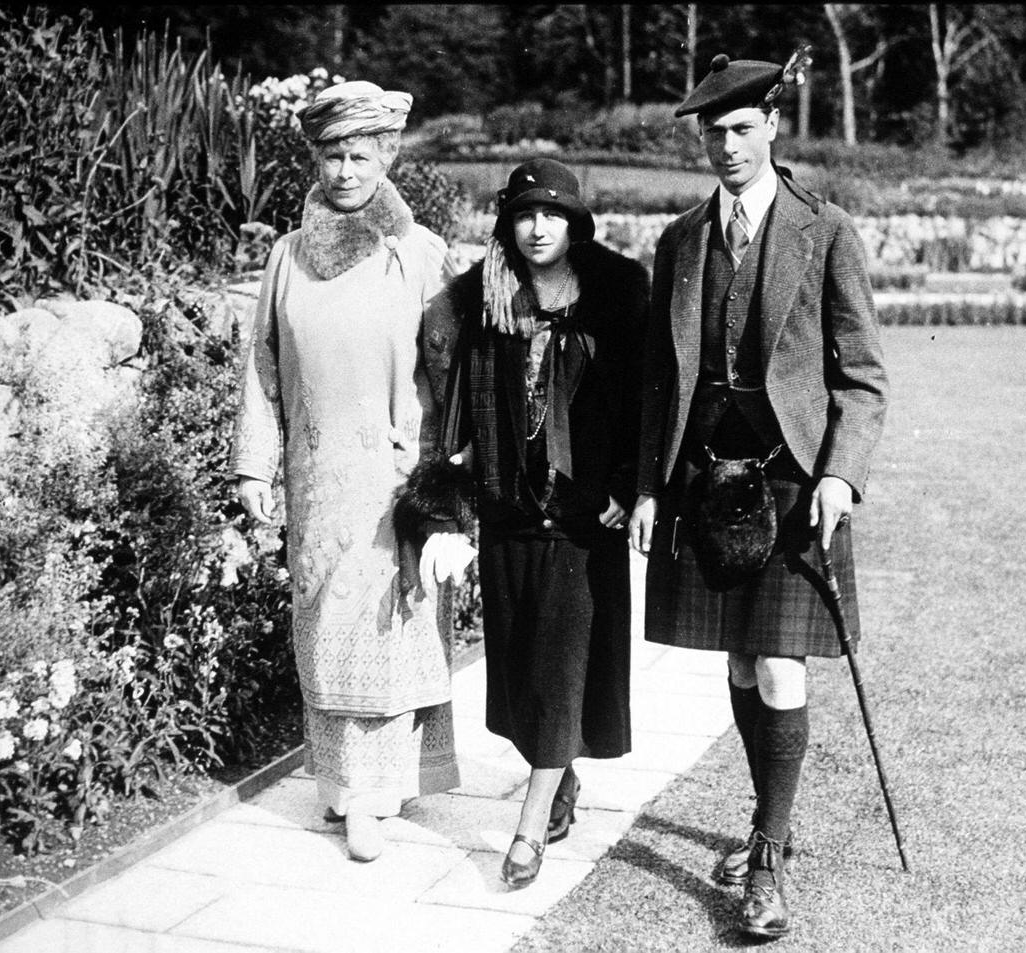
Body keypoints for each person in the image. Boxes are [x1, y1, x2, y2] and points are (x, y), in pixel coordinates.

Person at [628, 51, 889, 939]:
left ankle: (768, 854)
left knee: (778, 664)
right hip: (707, 483)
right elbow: (661, 383)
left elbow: (863, 378)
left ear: (774, 127)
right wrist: (651, 488)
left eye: (743, 129)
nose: (728, 146)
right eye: (714, 132)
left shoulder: (827, 231)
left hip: (792, 482)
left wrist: (842, 476)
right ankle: (765, 813)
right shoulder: (681, 242)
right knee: (740, 664)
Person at [231, 79, 471, 863]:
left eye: (359, 155)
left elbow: (454, 373)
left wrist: (448, 486)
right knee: (325, 627)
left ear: (386, 156)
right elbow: (261, 367)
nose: (343, 171)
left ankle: (378, 793)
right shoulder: (286, 258)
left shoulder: (419, 253)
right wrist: (254, 469)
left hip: (396, 478)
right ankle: (342, 788)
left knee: (389, 629)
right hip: (316, 477)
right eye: (332, 155)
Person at [406, 158, 649, 889]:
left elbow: (644, 396)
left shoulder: (614, 293)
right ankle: (559, 776)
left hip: (583, 514)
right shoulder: (480, 298)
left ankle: (527, 828)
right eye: (524, 213)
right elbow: (446, 402)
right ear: (506, 223)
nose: (539, 227)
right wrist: (451, 502)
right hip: (510, 505)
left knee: (561, 662)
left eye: (553, 214)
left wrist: (629, 483)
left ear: (576, 223)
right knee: (518, 670)